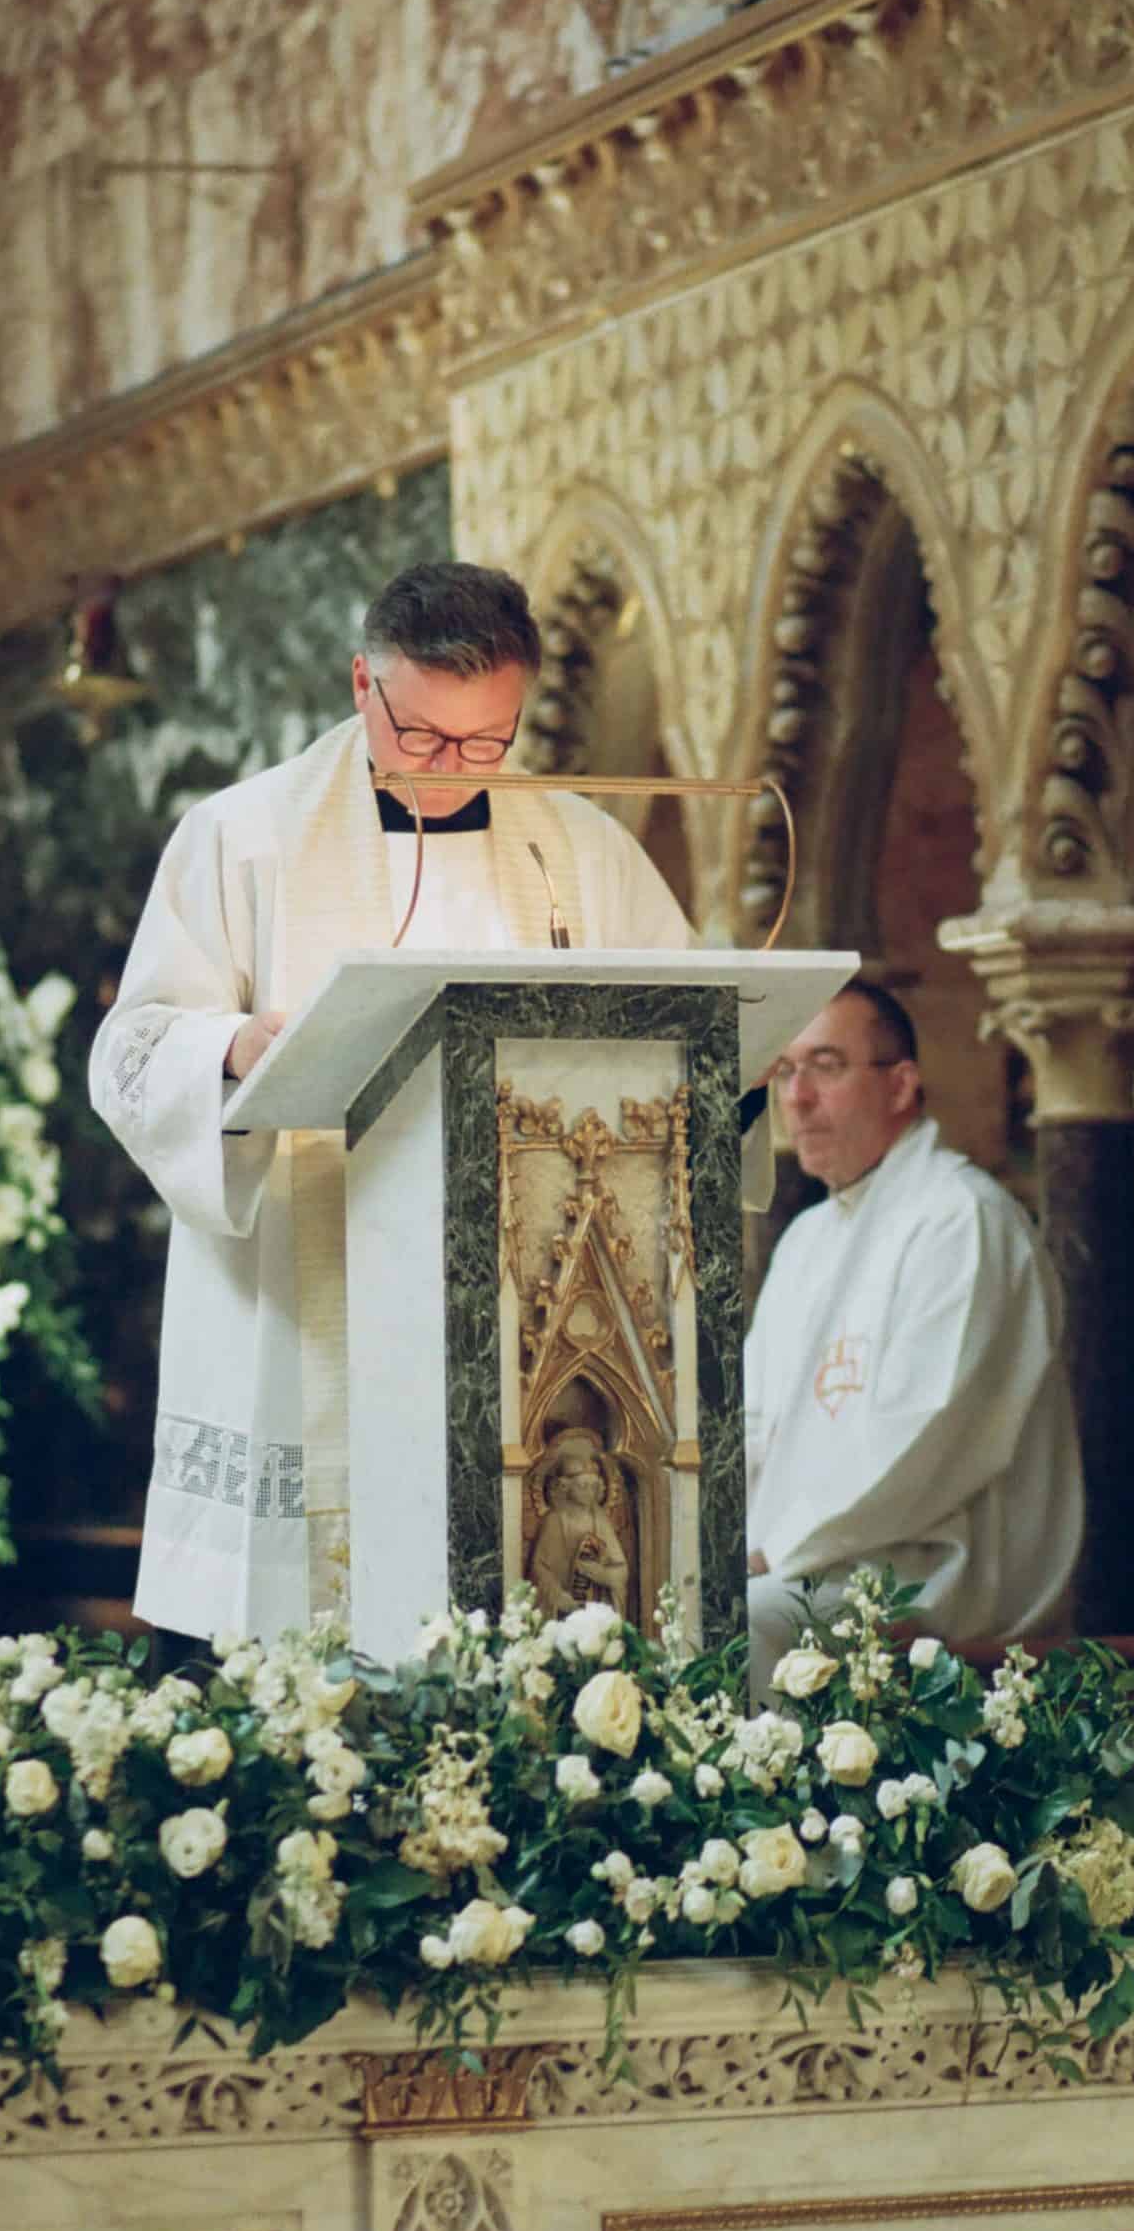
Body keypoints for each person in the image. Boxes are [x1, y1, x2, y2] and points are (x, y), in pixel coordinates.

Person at [89, 561, 690, 1647]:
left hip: (528, 1300)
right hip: (307, 1283)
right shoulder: (245, 837)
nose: (452, 771)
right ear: (363, 681)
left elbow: (684, 1037)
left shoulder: (576, 848)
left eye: (485, 742)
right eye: (421, 737)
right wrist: (232, 1046)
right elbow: (131, 1048)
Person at [744, 979, 1083, 1703]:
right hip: (811, 1568)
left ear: (901, 1085)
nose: (796, 1097)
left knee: (736, 1623)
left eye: (827, 1066)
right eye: (787, 1070)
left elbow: (924, 1437)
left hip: (926, 1577)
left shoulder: (958, 1218)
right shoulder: (807, 1240)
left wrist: (773, 1548)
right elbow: (750, 1429)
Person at [528, 1433, 630, 1618]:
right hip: (562, 1616)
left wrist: (603, 1574)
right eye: (583, 1486)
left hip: (595, 1611)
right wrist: (558, 1596)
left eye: (593, 1486)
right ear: (565, 1486)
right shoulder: (555, 1520)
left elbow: (621, 1570)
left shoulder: (600, 1520)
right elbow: (539, 1569)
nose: (589, 1492)